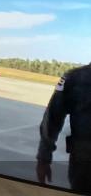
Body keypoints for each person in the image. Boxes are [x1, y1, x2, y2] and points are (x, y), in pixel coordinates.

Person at [38, 63, 91, 193]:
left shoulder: (74, 77)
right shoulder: (74, 78)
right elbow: (53, 117)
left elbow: (53, 117)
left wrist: (43, 157)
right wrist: (44, 157)